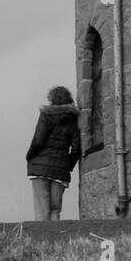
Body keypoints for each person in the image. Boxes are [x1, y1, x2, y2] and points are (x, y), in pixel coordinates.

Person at [26, 86, 82, 221]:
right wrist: (68, 166)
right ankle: (55, 239)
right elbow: (76, 148)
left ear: (52, 99)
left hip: (39, 168)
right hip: (60, 170)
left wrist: (29, 156)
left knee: (42, 209)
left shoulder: (46, 115)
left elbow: (38, 141)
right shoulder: (73, 119)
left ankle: (43, 240)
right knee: (55, 210)